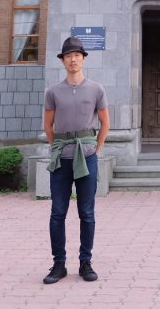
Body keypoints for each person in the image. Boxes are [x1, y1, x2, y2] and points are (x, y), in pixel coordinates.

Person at [41, 36, 110, 285]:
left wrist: (97, 149)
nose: (73, 59)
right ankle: (58, 264)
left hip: (87, 155)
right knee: (57, 212)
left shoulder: (96, 89)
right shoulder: (53, 92)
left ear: (83, 59)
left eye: (77, 55)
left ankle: (85, 262)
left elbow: (105, 123)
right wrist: (56, 147)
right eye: (68, 56)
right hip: (62, 158)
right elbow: (48, 125)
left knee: (86, 211)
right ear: (63, 61)